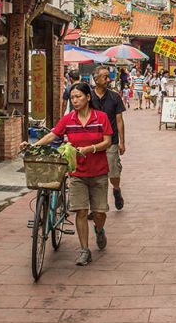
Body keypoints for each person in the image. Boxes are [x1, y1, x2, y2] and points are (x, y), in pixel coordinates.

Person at [21, 82, 112, 266]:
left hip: (99, 172)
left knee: (99, 212)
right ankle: (84, 250)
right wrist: (33, 146)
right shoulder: (69, 119)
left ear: (88, 97)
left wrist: (90, 149)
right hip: (77, 172)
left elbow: (107, 142)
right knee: (80, 211)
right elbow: (53, 135)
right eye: (72, 98)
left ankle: (99, 229)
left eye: (78, 97)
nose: (75, 100)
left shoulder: (101, 117)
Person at [91, 65, 127, 211]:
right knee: (95, 177)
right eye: (105, 77)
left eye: (108, 77)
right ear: (96, 79)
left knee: (113, 172)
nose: (108, 80)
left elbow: (119, 120)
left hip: (110, 141)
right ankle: (97, 207)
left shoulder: (114, 97)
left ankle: (116, 189)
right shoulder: (88, 97)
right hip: (92, 142)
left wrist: (122, 142)